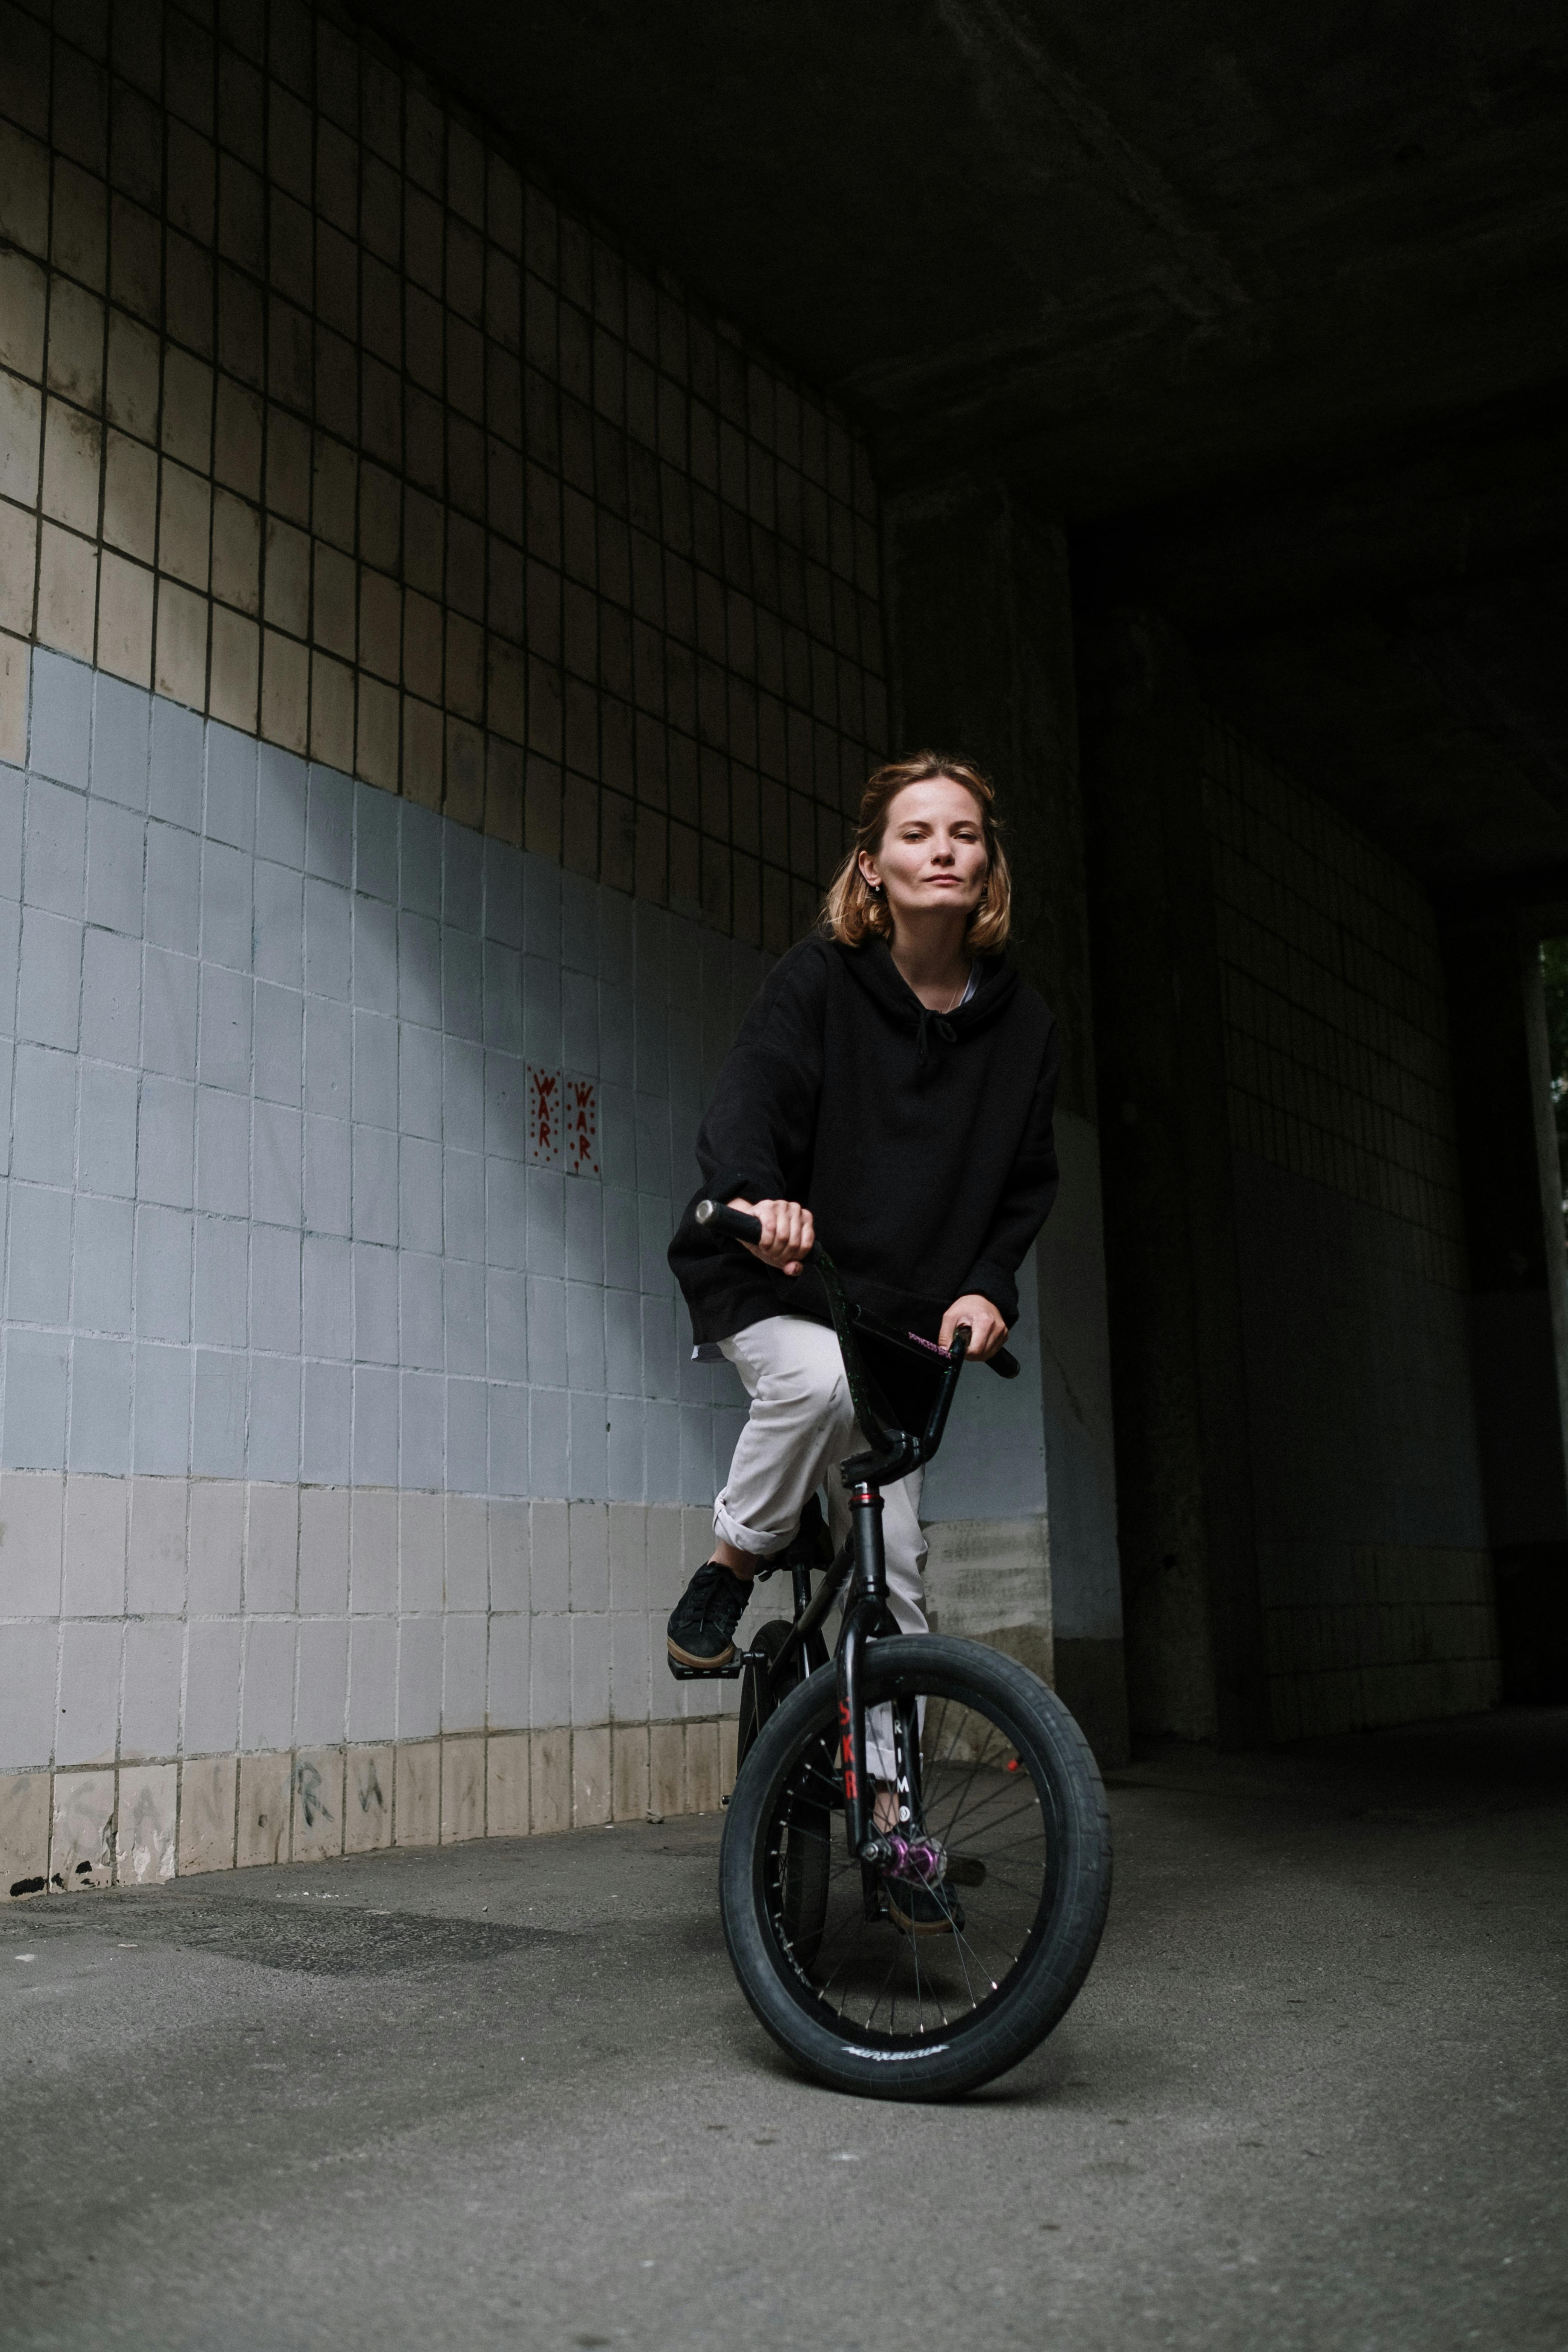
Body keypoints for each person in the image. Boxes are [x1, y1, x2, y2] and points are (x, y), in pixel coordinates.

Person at [665, 750, 1061, 1725]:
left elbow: (1023, 1186)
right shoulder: (820, 980)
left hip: (902, 1325)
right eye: (917, 833)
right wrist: (761, 1202)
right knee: (817, 1380)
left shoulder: (1026, 1029)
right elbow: (746, 1105)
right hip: (779, 1281)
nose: (943, 850)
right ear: (873, 865)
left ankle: (896, 1824)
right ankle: (735, 1557)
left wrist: (988, 1288)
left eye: (964, 835)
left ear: (987, 868)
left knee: (904, 1576)